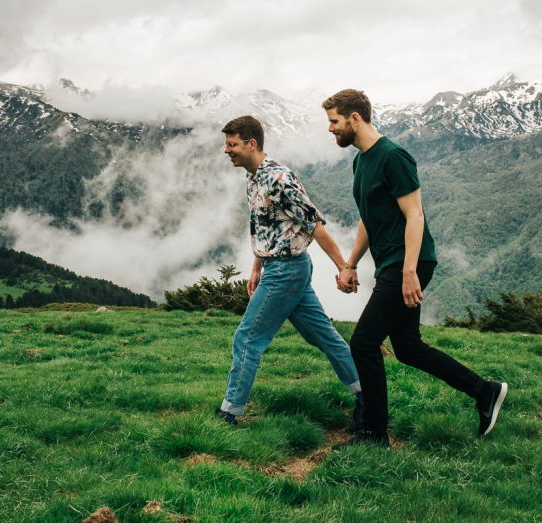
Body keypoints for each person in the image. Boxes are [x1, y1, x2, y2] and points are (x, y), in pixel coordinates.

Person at [323, 89, 507, 448]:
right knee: (408, 348)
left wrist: (408, 271)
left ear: (354, 118)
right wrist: (350, 264)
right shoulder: (361, 161)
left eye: (334, 121)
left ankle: (374, 433)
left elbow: (415, 214)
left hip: (409, 262)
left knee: (363, 343)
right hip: (394, 262)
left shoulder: (393, 156)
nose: (330, 129)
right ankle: (485, 392)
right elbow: (369, 219)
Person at [216, 115, 363, 428]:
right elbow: (264, 224)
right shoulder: (253, 176)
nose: (227, 150)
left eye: (232, 144)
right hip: (279, 267)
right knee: (323, 336)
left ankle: (229, 412)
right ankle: (367, 395)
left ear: (251, 144)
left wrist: (344, 267)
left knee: (247, 339)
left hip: (286, 271)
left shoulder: (279, 179)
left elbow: (313, 224)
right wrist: (257, 265)